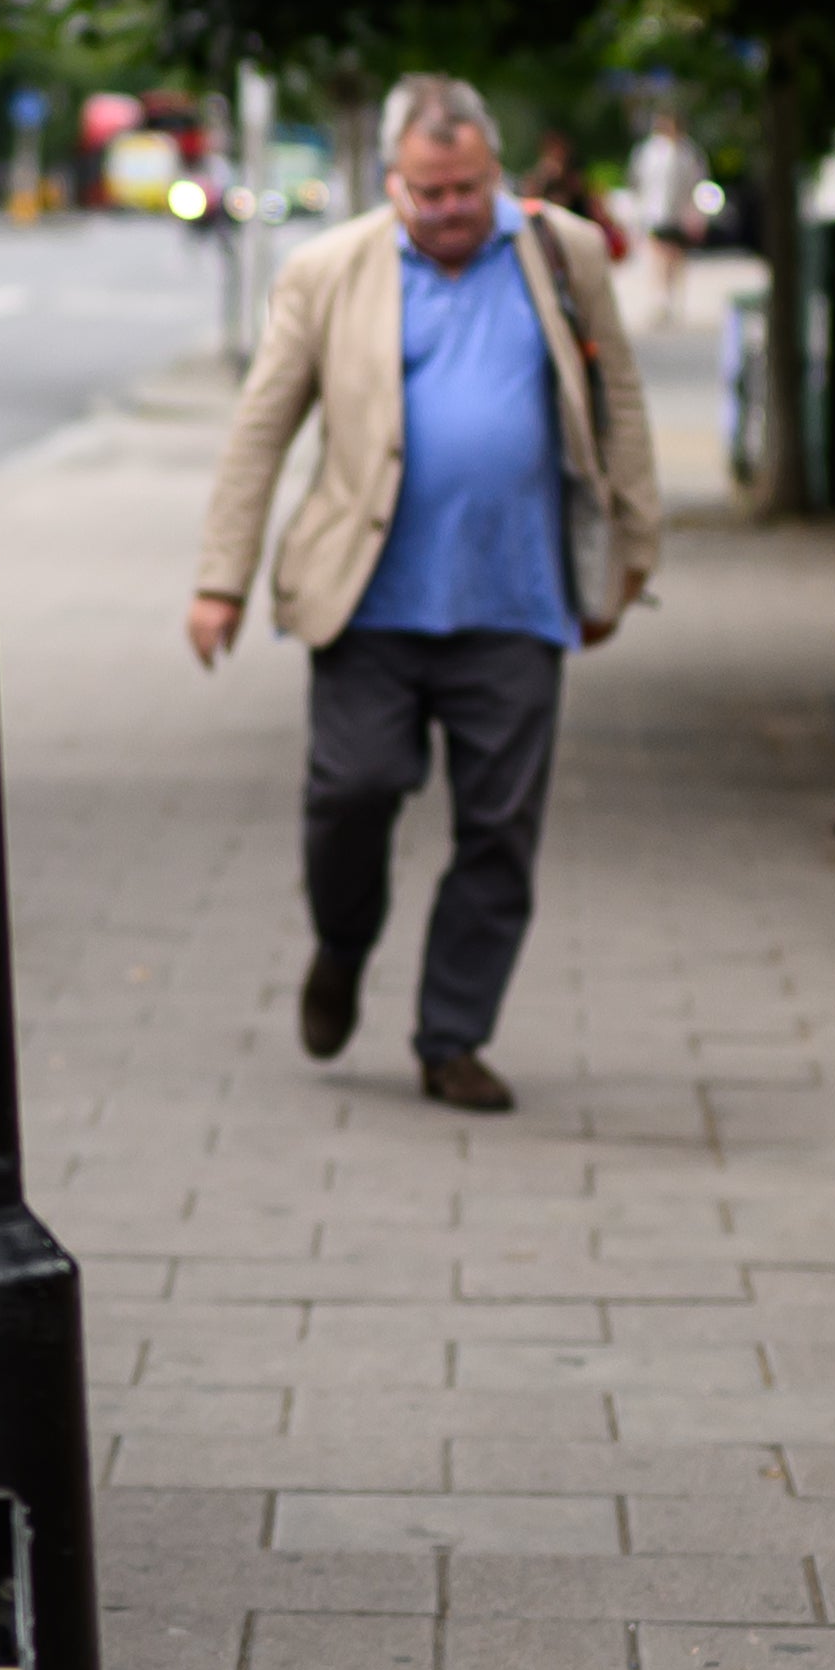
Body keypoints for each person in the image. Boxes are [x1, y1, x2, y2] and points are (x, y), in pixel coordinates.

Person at [187, 74, 654, 1109]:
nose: (449, 211)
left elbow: (615, 397)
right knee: (352, 792)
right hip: (369, 602)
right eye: (428, 192)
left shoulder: (559, 253)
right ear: (393, 182)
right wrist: (220, 579)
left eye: (467, 189)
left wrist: (630, 556)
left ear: (495, 171)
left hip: (517, 600)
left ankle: (450, 1038)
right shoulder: (327, 270)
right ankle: (342, 944)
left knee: (499, 831)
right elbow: (262, 426)